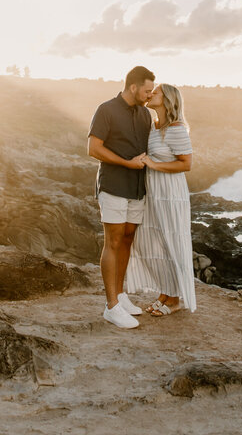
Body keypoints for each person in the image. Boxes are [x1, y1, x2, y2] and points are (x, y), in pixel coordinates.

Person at [87, 65, 154, 329]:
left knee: (127, 239)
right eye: (147, 90)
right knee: (113, 242)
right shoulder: (106, 109)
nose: (149, 95)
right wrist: (127, 164)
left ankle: (121, 295)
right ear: (134, 86)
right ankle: (111, 306)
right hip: (114, 185)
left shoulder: (145, 114)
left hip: (137, 188)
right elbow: (93, 148)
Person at [125, 83, 196, 315]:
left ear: (167, 100)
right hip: (153, 191)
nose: (150, 94)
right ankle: (165, 293)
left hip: (171, 193)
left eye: (155, 93)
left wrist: (154, 164)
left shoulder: (176, 129)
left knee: (170, 242)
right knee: (151, 241)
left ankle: (174, 300)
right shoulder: (153, 126)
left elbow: (186, 163)